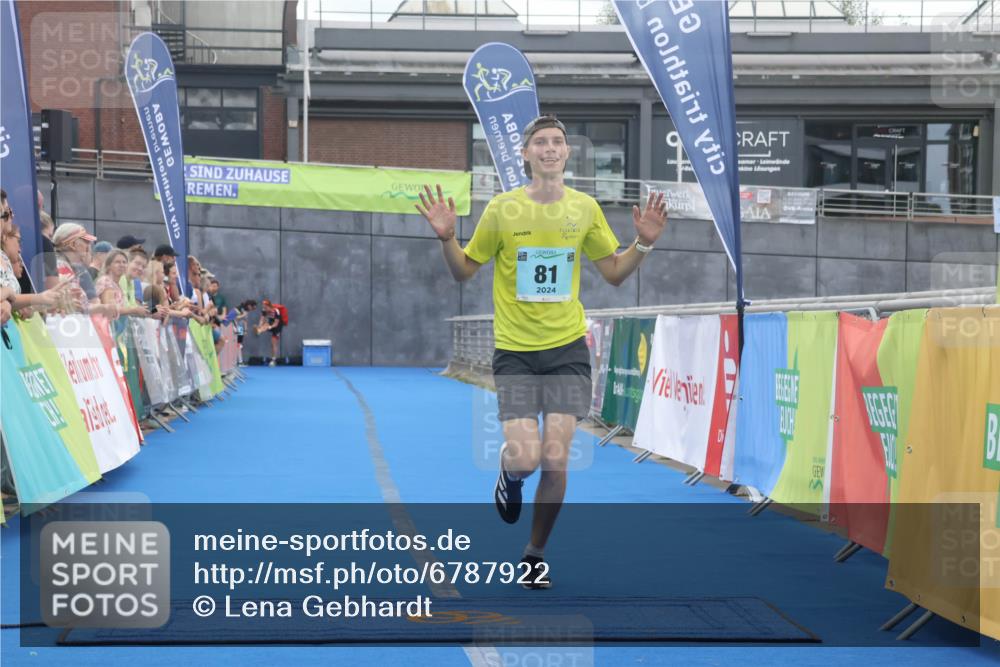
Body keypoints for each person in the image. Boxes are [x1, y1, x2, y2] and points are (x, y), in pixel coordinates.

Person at [416, 114, 667, 589]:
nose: (550, 148)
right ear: (526, 154)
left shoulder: (585, 208)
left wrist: (644, 245)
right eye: (541, 142)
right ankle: (509, 480)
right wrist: (448, 238)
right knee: (526, 458)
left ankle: (534, 554)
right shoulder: (502, 209)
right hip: (514, 352)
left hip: (568, 349)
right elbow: (464, 271)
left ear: (567, 153)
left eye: (558, 142)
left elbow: (613, 272)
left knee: (556, 457)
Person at [255, 298, 285, 366]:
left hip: (278, 326)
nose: (264, 308)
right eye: (263, 307)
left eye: (265, 307)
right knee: (266, 323)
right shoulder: (264, 310)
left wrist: (271, 327)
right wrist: (259, 326)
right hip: (270, 322)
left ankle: (273, 360)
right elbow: (262, 319)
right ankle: (259, 331)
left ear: (269, 306)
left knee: (273, 343)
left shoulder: (276, 311)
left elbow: (276, 323)